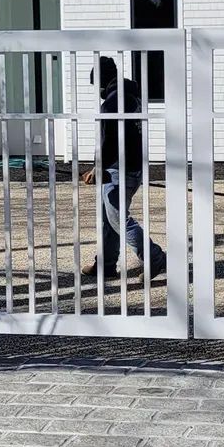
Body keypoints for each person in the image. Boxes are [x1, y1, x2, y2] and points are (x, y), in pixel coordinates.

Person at [82, 57, 166, 281]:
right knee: (108, 218)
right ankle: (106, 265)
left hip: (119, 169)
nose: (96, 91)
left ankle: (155, 257)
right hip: (128, 166)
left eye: (96, 85)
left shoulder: (113, 102)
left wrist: (97, 168)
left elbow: (110, 140)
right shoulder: (130, 96)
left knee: (118, 219)